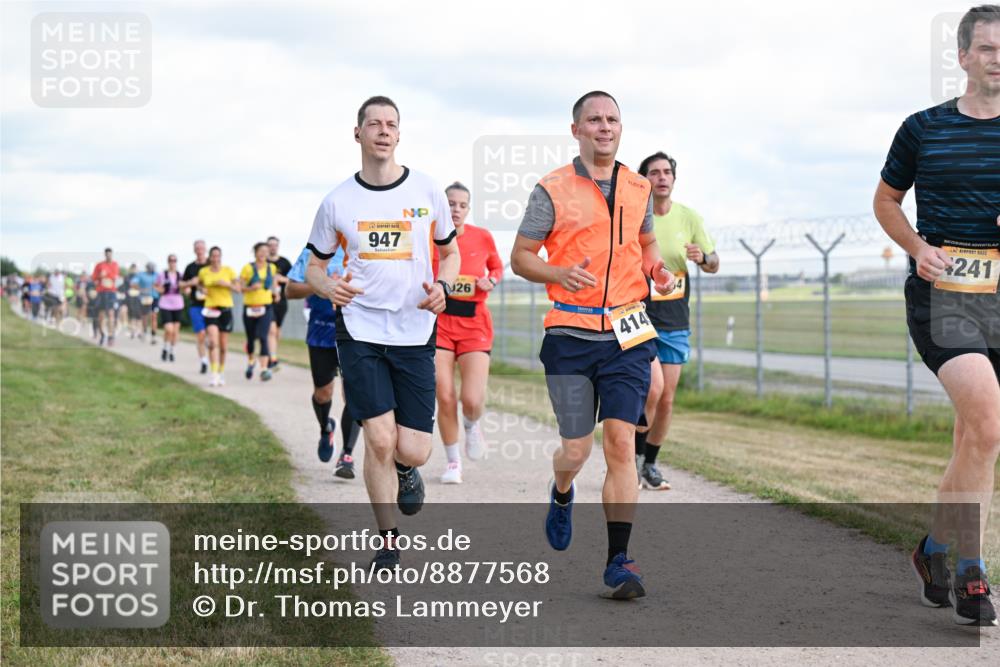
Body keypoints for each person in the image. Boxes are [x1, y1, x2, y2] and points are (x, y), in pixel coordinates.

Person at [510, 91, 676, 599]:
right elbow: (520, 256)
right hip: (569, 335)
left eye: (612, 119)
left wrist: (657, 270)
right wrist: (557, 271)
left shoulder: (637, 186)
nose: (604, 126)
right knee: (576, 449)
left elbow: (645, 244)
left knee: (622, 442)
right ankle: (562, 492)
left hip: (627, 332)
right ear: (576, 129)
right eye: (594, 120)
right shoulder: (552, 188)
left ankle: (619, 561)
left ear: (621, 128)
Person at [874, 4, 1000, 627]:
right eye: (988, 49)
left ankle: (935, 549)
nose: (998, 59)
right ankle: (974, 573)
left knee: (974, 438)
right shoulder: (922, 128)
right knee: (988, 424)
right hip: (943, 296)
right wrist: (918, 248)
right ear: (963, 57)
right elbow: (887, 200)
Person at [305, 95, 459, 569]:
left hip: (415, 328)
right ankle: (389, 539)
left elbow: (449, 253)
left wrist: (445, 288)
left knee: (412, 446)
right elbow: (313, 265)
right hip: (361, 327)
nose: (384, 131)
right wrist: (327, 283)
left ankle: (408, 470)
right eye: (374, 124)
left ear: (399, 133)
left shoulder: (427, 191)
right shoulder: (337, 201)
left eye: (392, 124)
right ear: (359, 134)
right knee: (378, 438)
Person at [634, 152, 720, 491]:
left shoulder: (689, 217)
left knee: (666, 398)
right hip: (639, 314)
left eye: (667, 172)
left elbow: (713, 263)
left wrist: (704, 258)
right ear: (644, 181)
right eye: (654, 173)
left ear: (674, 177)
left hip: (674, 318)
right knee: (649, 391)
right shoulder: (635, 218)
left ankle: (648, 464)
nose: (661, 177)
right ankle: (632, 459)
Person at [434, 181, 503, 484]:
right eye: (451, 204)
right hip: (439, 324)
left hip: (474, 324)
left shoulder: (482, 237)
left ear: (468, 208)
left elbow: (497, 269)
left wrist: (492, 280)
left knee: (471, 398)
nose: (456, 209)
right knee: (445, 394)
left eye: (462, 205)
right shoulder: (430, 237)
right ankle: (452, 463)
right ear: (442, 206)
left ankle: (473, 426)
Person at [287, 244, 361, 477]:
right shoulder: (314, 252)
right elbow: (290, 290)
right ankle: (325, 428)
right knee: (323, 393)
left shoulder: (365, 245)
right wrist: (323, 284)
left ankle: (347, 455)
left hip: (357, 332)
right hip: (321, 331)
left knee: (354, 395)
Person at [191, 246, 240, 387]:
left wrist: (227, 284)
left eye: (218, 255)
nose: (215, 258)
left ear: (221, 257)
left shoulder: (228, 271)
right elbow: (199, 285)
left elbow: (238, 289)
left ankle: (221, 371)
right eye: (213, 256)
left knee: (223, 346)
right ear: (210, 257)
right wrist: (202, 289)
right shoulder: (203, 272)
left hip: (225, 309)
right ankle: (214, 374)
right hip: (210, 309)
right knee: (213, 342)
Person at [239, 242, 280, 381]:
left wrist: (277, 293)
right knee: (251, 339)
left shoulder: (272, 267)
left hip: (266, 306)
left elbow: (274, 284)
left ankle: (263, 369)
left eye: (266, 251)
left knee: (263, 336)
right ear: (255, 252)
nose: (263, 253)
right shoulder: (247, 268)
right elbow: (240, 287)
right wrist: (250, 288)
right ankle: (251, 360)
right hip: (250, 307)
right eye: (260, 251)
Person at [181, 240, 211, 374]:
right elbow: (181, 285)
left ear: (205, 250)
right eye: (197, 249)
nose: (200, 251)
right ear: (194, 250)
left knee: (211, 335)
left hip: (212, 304)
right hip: (196, 305)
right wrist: (189, 283)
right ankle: (204, 360)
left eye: (202, 248)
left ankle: (213, 360)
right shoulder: (190, 267)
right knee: (201, 334)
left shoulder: (211, 264)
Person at [265, 236, 292, 373]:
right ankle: (272, 358)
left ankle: (272, 352)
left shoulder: (285, 262)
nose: (272, 247)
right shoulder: (263, 262)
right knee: (272, 329)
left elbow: (293, 280)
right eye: (270, 245)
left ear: (278, 246)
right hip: (266, 301)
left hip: (281, 302)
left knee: (277, 331)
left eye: (275, 245)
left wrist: (281, 279)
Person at [157, 255, 185, 362]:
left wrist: (185, 289)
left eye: (174, 261)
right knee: (169, 329)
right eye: (170, 261)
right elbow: (156, 286)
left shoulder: (180, 275)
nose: (172, 263)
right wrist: (161, 290)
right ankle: (165, 347)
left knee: (175, 331)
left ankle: (172, 351)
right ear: (168, 262)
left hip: (178, 304)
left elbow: (185, 287)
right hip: (165, 303)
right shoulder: (162, 275)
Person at [91, 248, 120, 346]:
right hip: (101, 293)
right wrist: (100, 276)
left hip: (111, 292)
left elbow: (115, 276)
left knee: (111, 314)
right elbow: (94, 278)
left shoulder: (115, 264)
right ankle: (102, 335)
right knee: (101, 317)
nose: (108, 256)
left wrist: (106, 274)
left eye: (110, 254)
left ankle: (111, 337)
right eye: (107, 254)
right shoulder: (99, 265)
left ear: (112, 255)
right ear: (105, 255)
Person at [136, 262, 159, 344]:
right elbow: (134, 283)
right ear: (147, 268)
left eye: (153, 267)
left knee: (154, 316)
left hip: (154, 298)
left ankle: (153, 336)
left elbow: (161, 284)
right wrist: (141, 289)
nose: (151, 269)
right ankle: (144, 332)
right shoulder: (141, 275)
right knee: (145, 317)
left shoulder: (157, 275)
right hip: (144, 298)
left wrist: (157, 286)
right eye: (150, 267)